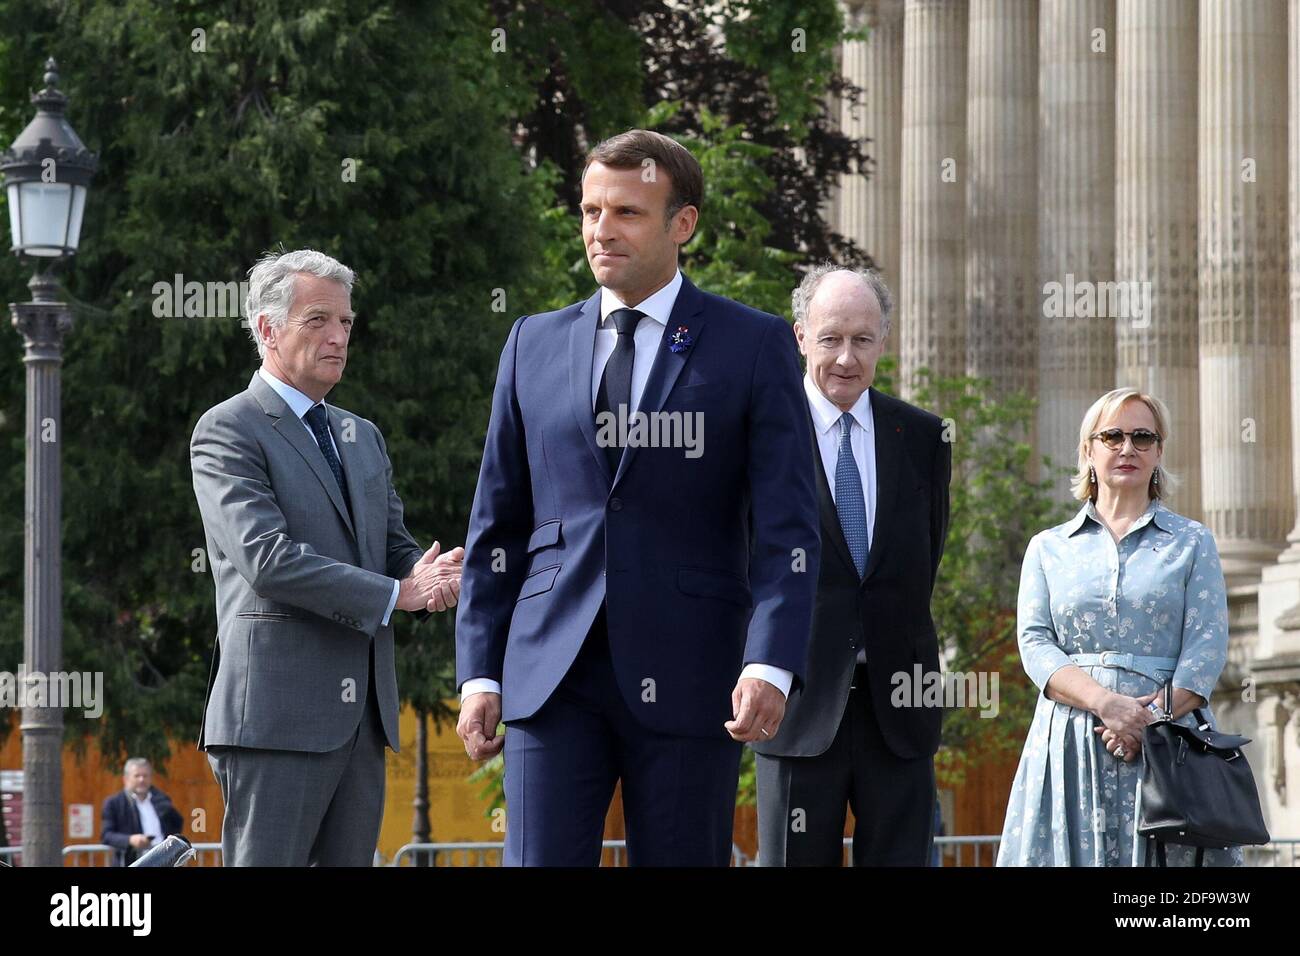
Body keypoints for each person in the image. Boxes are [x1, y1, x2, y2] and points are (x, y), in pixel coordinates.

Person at [454, 129, 821, 866]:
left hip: (692, 672)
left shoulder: (753, 345)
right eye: (591, 211)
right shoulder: (531, 343)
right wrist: (479, 671)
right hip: (548, 674)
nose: (600, 231)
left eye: (626, 212)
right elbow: (499, 524)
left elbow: (789, 530)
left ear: (682, 224)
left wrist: (770, 662)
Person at [190, 248, 463, 866]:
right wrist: (397, 594)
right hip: (274, 721)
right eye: (318, 320)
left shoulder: (362, 436)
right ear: (267, 329)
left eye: (346, 322)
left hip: (361, 721)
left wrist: (434, 575)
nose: (339, 337)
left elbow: (393, 548)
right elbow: (267, 560)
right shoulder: (228, 429)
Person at [753, 266, 951, 866]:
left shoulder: (922, 437)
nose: (846, 357)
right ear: (800, 337)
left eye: (862, 340)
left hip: (901, 705)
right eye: (831, 337)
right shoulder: (762, 433)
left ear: (883, 343)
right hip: (796, 702)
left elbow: (924, 556)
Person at [997, 387, 1241, 866]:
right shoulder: (1048, 547)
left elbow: (1206, 647)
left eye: (1142, 437)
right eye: (1112, 436)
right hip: (1071, 743)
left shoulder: (1193, 542)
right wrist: (1106, 704)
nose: (1127, 448)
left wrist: (1148, 720)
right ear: (1088, 450)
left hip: (1168, 745)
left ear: (1159, 452)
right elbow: (1035, 643)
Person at [101, 758, 184, 867]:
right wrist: (130, 840)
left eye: (145, 776)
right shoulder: (114, 803)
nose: (141, 779)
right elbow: (107, 835)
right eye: (137, 776)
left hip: (164, 860)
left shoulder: (161, 799)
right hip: (132, 861)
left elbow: (177, 822)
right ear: (125, 779)